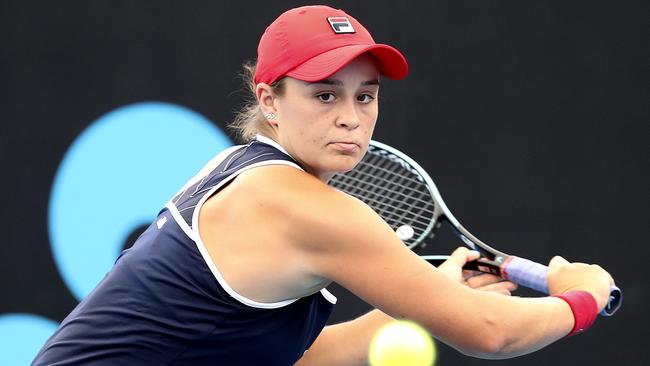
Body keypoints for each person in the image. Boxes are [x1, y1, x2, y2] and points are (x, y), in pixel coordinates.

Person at [33, 5, 615, 366]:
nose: (350, 117)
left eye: (365, 95)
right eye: (325, 94)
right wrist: (579, 296)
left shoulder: (239, 171)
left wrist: (422, 302)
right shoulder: (299, 207)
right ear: (269, 100)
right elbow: (488, 335)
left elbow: (293, 359)